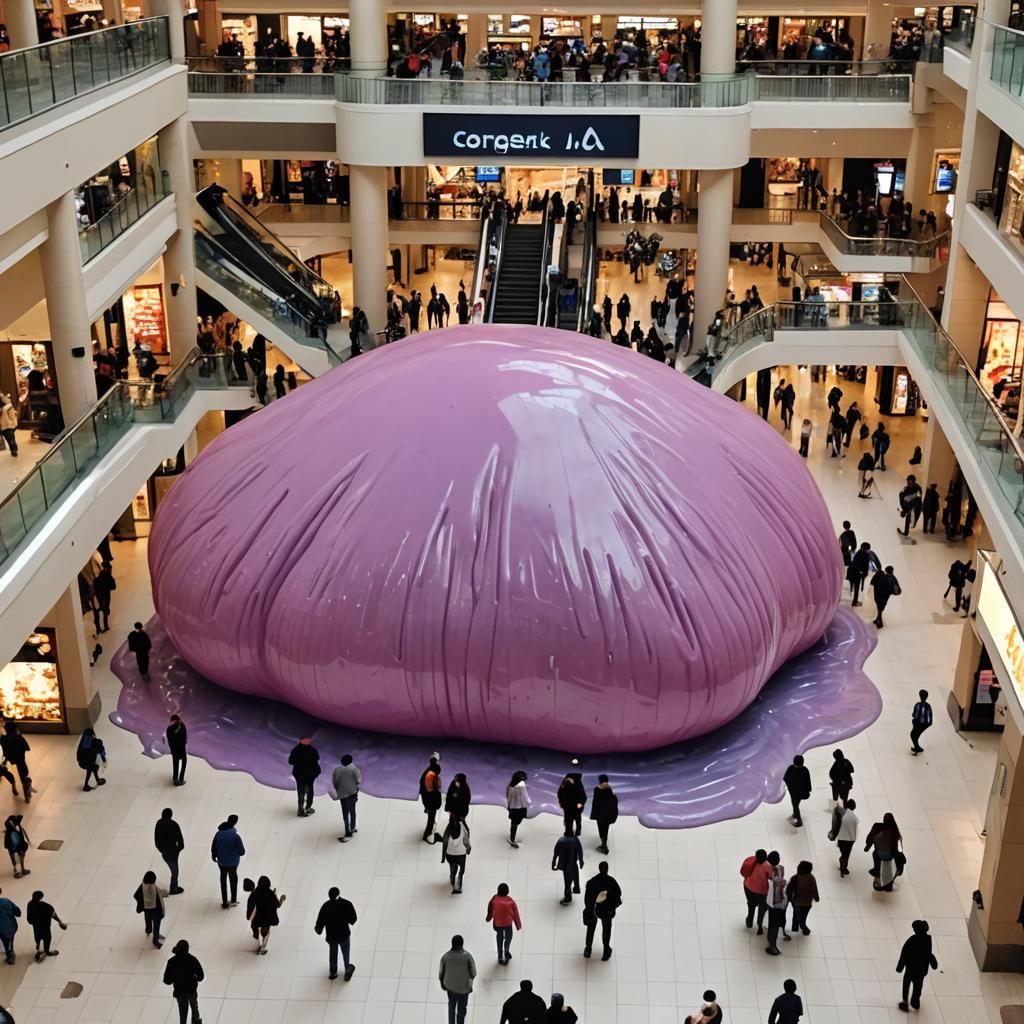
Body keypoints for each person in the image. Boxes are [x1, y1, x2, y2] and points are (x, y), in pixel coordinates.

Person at [314, 886, 357, 980]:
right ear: (338, 894)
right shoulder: (346, 904)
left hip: (331, 936)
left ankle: (333, 972)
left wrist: (318, 929)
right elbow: (353, 920)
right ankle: (347, 969)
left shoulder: (326, 906)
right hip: (344, 934)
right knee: (345, 951)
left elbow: (320, 923)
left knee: (333, 952)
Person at [896, 920, 938, 1012]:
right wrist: (933, 963)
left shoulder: (912, 940)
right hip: (921, 969)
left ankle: (905, 1002)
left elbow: (904, 954)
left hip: (911, 968)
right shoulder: (927, 939)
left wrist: (900, 967)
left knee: (906, 984)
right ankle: (915, 1000)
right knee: (918, 986)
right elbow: (928, 953)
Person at [582, 861, 621, 960]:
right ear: (607, 869)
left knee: (590, 929)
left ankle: (588, 949)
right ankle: (606, 951)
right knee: (606, 930)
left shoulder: (592, 882)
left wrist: (589, 908)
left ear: (599, 869)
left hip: (593, 909)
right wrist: (612, 907)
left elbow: (587, 899)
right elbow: (618, 894)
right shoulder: (611, 881)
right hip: (606, 911)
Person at [163, 939, 204, 1024]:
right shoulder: (192, 959)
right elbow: (201, 976)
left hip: (180, 991)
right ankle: (196, 1020)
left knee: (182, 1011)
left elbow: (167, 980)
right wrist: (195, 979)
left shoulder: (172, 961)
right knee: (194, 1006)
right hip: (191, 989)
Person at [438, 934, 476, 1024]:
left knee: (451, 1005)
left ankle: (451, 1022)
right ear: (462, 944)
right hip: (464, 988)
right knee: (461, 1008)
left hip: (450, 987)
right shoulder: (468, 957)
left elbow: (441, 974)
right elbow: (473, 973)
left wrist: (443, 984)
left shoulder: (445, 957)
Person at [211, 814, 245, 908]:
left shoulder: (218, 834)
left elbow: (213, 847)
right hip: (233, 863)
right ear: (235, 823)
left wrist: (214, 856)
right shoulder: (235, 836)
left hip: (222, 862)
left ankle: (224, 902)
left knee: (223, 880)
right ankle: (233, 900)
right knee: (233, 880)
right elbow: (242, 852)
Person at [246, 875, 285, 954]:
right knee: (265, 931)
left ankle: (256, 936)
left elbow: (251, 906)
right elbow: (278, 905)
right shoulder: (271, 894)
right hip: (268, 917)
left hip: (258, 917)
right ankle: (263, 946)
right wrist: (281, 899)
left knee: (256, 926)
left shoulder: (255, 893)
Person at [865, 812, 903, 891]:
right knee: (890, 868)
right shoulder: (894, 831)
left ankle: (877, 874)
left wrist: (867, 847)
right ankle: (888, 884)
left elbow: (870, 838)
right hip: (890, 855)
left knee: (876, 857)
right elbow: (898, 848)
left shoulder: (877, 827)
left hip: (878, 853)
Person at [485, 882, 522, 964]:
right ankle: (506, 950)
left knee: (499, 937)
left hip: (497, 923)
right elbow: (515, 914)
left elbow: (490, 910)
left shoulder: (494, 900)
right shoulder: (511, 901)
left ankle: (500, 955)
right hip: (508, 924)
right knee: (508, 937)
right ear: (507, 891)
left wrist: (488, 918)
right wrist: (518, 925)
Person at [26, 891, 65, 961]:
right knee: (47, 938)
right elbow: (53, 914)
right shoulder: (46, 906)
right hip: (45, 926)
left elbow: (29, 919)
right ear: (41, 897)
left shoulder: (30, 904)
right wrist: (60, 922)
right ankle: (47, 951)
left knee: (37, 937)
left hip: (36, 926)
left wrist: (33, 922)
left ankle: (38, 949)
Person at [740, 848, 771, 932]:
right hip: (762, 891)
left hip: (748, 887)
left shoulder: (752, 862)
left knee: (751, 905)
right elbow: (771, 877)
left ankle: (749, 922)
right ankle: (759, 924)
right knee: (762, 907)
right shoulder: (767, 866)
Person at [288, 736, 320, 817]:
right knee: (309, 791)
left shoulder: (296, 750)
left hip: (300, 774)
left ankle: (302, 809)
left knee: (302, 791)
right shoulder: (313, 750)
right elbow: (316, 762)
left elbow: (290, 761)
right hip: (309, 774)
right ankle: (306, 808)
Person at [155, 808, 185, 894]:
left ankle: (174, 886)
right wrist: (179, 849)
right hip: (173, 851)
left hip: (165, 852)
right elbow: (180, 839)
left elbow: (156, 838)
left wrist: (161, 850)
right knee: (175, 871)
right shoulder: (174, 824)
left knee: (174, 869)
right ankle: (173, 888)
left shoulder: (159, 823)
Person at [330, 753, 360, 841]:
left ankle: (348, 831)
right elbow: (358, 780)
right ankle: (353, 828)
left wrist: (339, 789)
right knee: (352, 811)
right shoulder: (355, 769)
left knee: (345, 813)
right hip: (352, 793)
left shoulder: (337, 770)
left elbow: (335, 782)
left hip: (342, 794)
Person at [764, 854, 790, 955]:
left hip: (773, 904)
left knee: (773, 924)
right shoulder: (781, 868)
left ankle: (773, 946)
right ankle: (783, 932)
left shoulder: (770, 875)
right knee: (780, 920)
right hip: (783, 903)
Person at [134, 870, 167, 948]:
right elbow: (165, 893)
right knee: (156, 925)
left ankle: (148, 930)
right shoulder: (156, 888)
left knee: (148, 920)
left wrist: (142, 903)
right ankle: (155, 940)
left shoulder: (142, 886)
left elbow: (136, 895)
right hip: (156, 910)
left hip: (147, 909)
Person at [785, 861, 818, 935]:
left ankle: (798, 929)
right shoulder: (811, 877)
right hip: (808, 903)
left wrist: (790, 900)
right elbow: (814, 889)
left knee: (796, 917)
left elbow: (788, 891)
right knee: (803, 917)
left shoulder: (795, 878)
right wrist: (816, 898)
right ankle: (802, 927)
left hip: (797, 902)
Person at [590, 774, 618, 853]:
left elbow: (595, 802)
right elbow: (613, 802)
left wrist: (594, 814)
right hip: (608, 813)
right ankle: (604, 844)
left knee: (601, 828)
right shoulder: (610, 789)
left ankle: (603, 845)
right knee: (606, 828)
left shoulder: (597, 789)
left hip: (600, 813)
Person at [441, 817, 470, 894]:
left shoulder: (448, 829)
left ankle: (452, 878)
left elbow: (445, 842)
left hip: (450, 853)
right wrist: (468, 848)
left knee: (452, 866)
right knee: (462, 870)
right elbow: (466, 839)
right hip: (461, 853)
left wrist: (443, 857)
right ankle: (459, 885)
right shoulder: (462, 826)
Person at [0, 723, 30, 799]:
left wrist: (5, 759)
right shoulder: (19, 738)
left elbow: (4, 750)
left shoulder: (3, 739)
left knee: (4, 771)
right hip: (20, 758)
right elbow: (26, 748)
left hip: (8, 758)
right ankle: (25, 784)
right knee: (23, 772)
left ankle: (14, 784)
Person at [831, 797, 858, 877]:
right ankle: (844, 867)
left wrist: (833, 835)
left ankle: (842, 864)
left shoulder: (842, 814)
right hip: (851, 839)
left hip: (841, 838)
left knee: (843, 853)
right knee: (846, 854)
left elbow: (836, 825)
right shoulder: (855, 818)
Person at [419, 755, 443, 843]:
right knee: (431, 819)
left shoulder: (428, 771)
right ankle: (427, 835)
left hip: (427, 800)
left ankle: (430, 832)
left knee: (431, 818)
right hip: (431, 802)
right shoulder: (431, 776)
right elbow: (433, 792)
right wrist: (437, 803)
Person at [782, 755, 812, 826]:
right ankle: (795, 814)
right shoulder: (804, 769)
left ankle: (798, 820)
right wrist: (809, 789)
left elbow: (785, 778)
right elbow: (808, 781)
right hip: (800, 792)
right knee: (795, 804)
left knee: (795, 805)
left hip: (794, 792)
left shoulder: (791, 768)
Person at [505, 770, 531, 849]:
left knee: (514, 823)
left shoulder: (510, 785)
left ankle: (512, 838)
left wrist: (509, 806)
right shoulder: (521, 784)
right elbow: (525, 796)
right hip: (520, 808)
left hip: (512, 807)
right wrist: (529, 802)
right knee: (517, 822)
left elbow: (508, 796)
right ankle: (512, 839)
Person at [846, 542, 874, 606]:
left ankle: (851, 593)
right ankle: (854, 602)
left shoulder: (858, 552)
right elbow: (865, 566)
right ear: (866, 550)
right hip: (857, 574)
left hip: (851, 571)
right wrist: (865, 574)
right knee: (857, 588)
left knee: (853, 586)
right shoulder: (866, 555)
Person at [91, 563, 116, 634]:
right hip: (106, 597)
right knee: (105, 612)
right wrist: (108, 587)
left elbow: (94, 589)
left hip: (97, 598)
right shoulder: (110, 578)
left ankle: (98, 628)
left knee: (97, 613)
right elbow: (114, 587)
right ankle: (106, 626)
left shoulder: (96, 580)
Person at [166, 714, 187, 786]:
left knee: (176, 764)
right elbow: (184, 738)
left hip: (175, 750)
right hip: (181, 749)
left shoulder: (169, 729)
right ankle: (180, 779)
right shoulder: (181, 726)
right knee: (183, 763)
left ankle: (176, 779)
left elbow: (169, 740)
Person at [911, 689, 933, 754]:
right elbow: (914, 714)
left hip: (922, 724)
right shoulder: (924, 706)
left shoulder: (919, 705)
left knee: (914, 735)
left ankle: (917, 748)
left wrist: (928, 723)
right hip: (918, 723)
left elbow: (914, 714)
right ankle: (917, 747)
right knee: (914, 735)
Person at [0, 889, 19, 964]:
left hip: (4, 929)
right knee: (9, 942)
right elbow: (17, 912)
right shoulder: (6, 901)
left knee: (6, 942)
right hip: (9, 927)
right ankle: (10, 955)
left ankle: (9, 954)